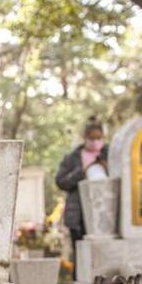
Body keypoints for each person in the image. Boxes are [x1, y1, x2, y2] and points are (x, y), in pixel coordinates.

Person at [55, 117, 109, 275]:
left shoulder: (109, 153)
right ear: (85, 138)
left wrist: (107, 166)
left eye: (98, 138)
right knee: (80, 254)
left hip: (104, 213)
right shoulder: (72, 157)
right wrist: (81, 172)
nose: (95, 141)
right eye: (91, 138)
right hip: (78, 214)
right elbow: (60, 181)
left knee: (102, 252)